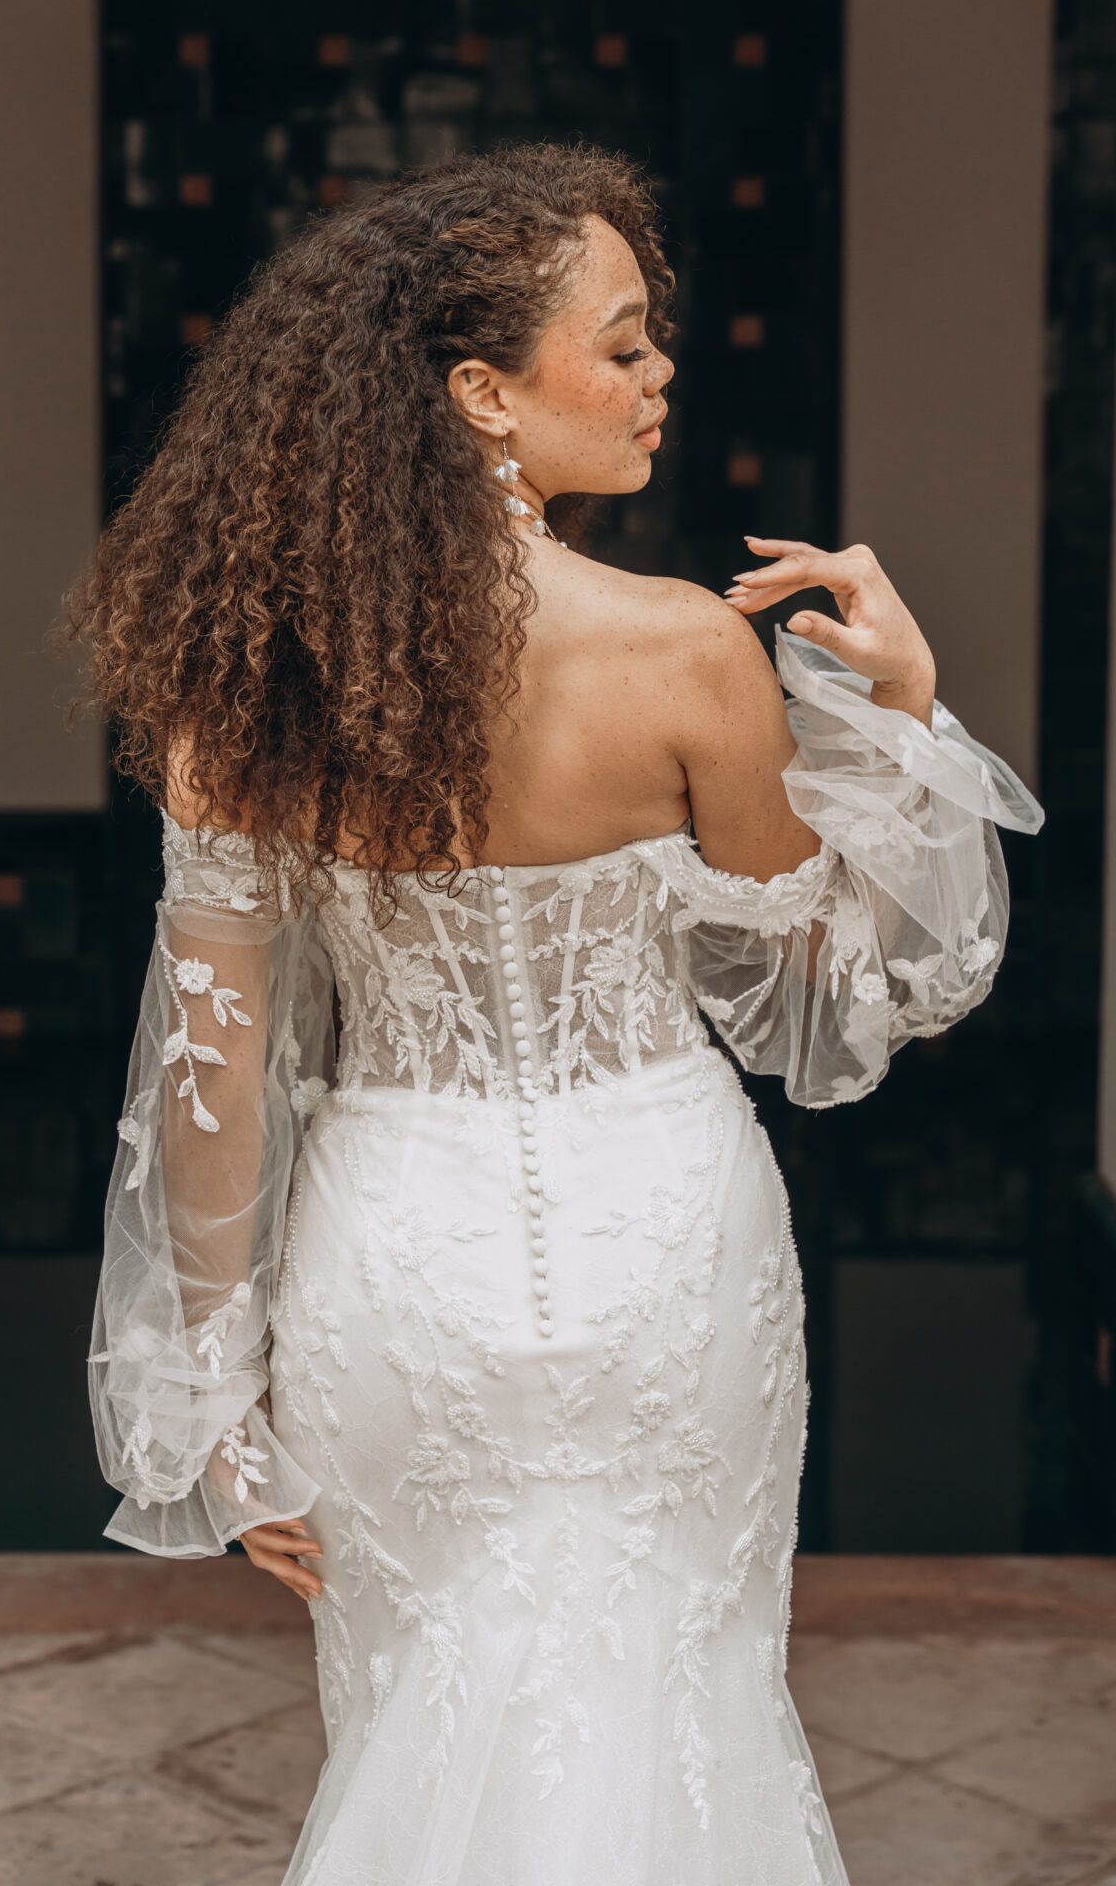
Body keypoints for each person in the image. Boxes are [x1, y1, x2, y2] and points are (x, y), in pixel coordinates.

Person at [60, 140, 1045, 1884]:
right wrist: (907, 721)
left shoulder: (248, 691)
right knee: (680, 1690)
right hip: (662, 1236)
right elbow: (836, 1004)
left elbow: (212, 1074)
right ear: (480, 396)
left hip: (395, 1258)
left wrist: (213, 1402)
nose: (662, 375)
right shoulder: (681, 656)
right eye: (623, 343)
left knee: (432, 1694)